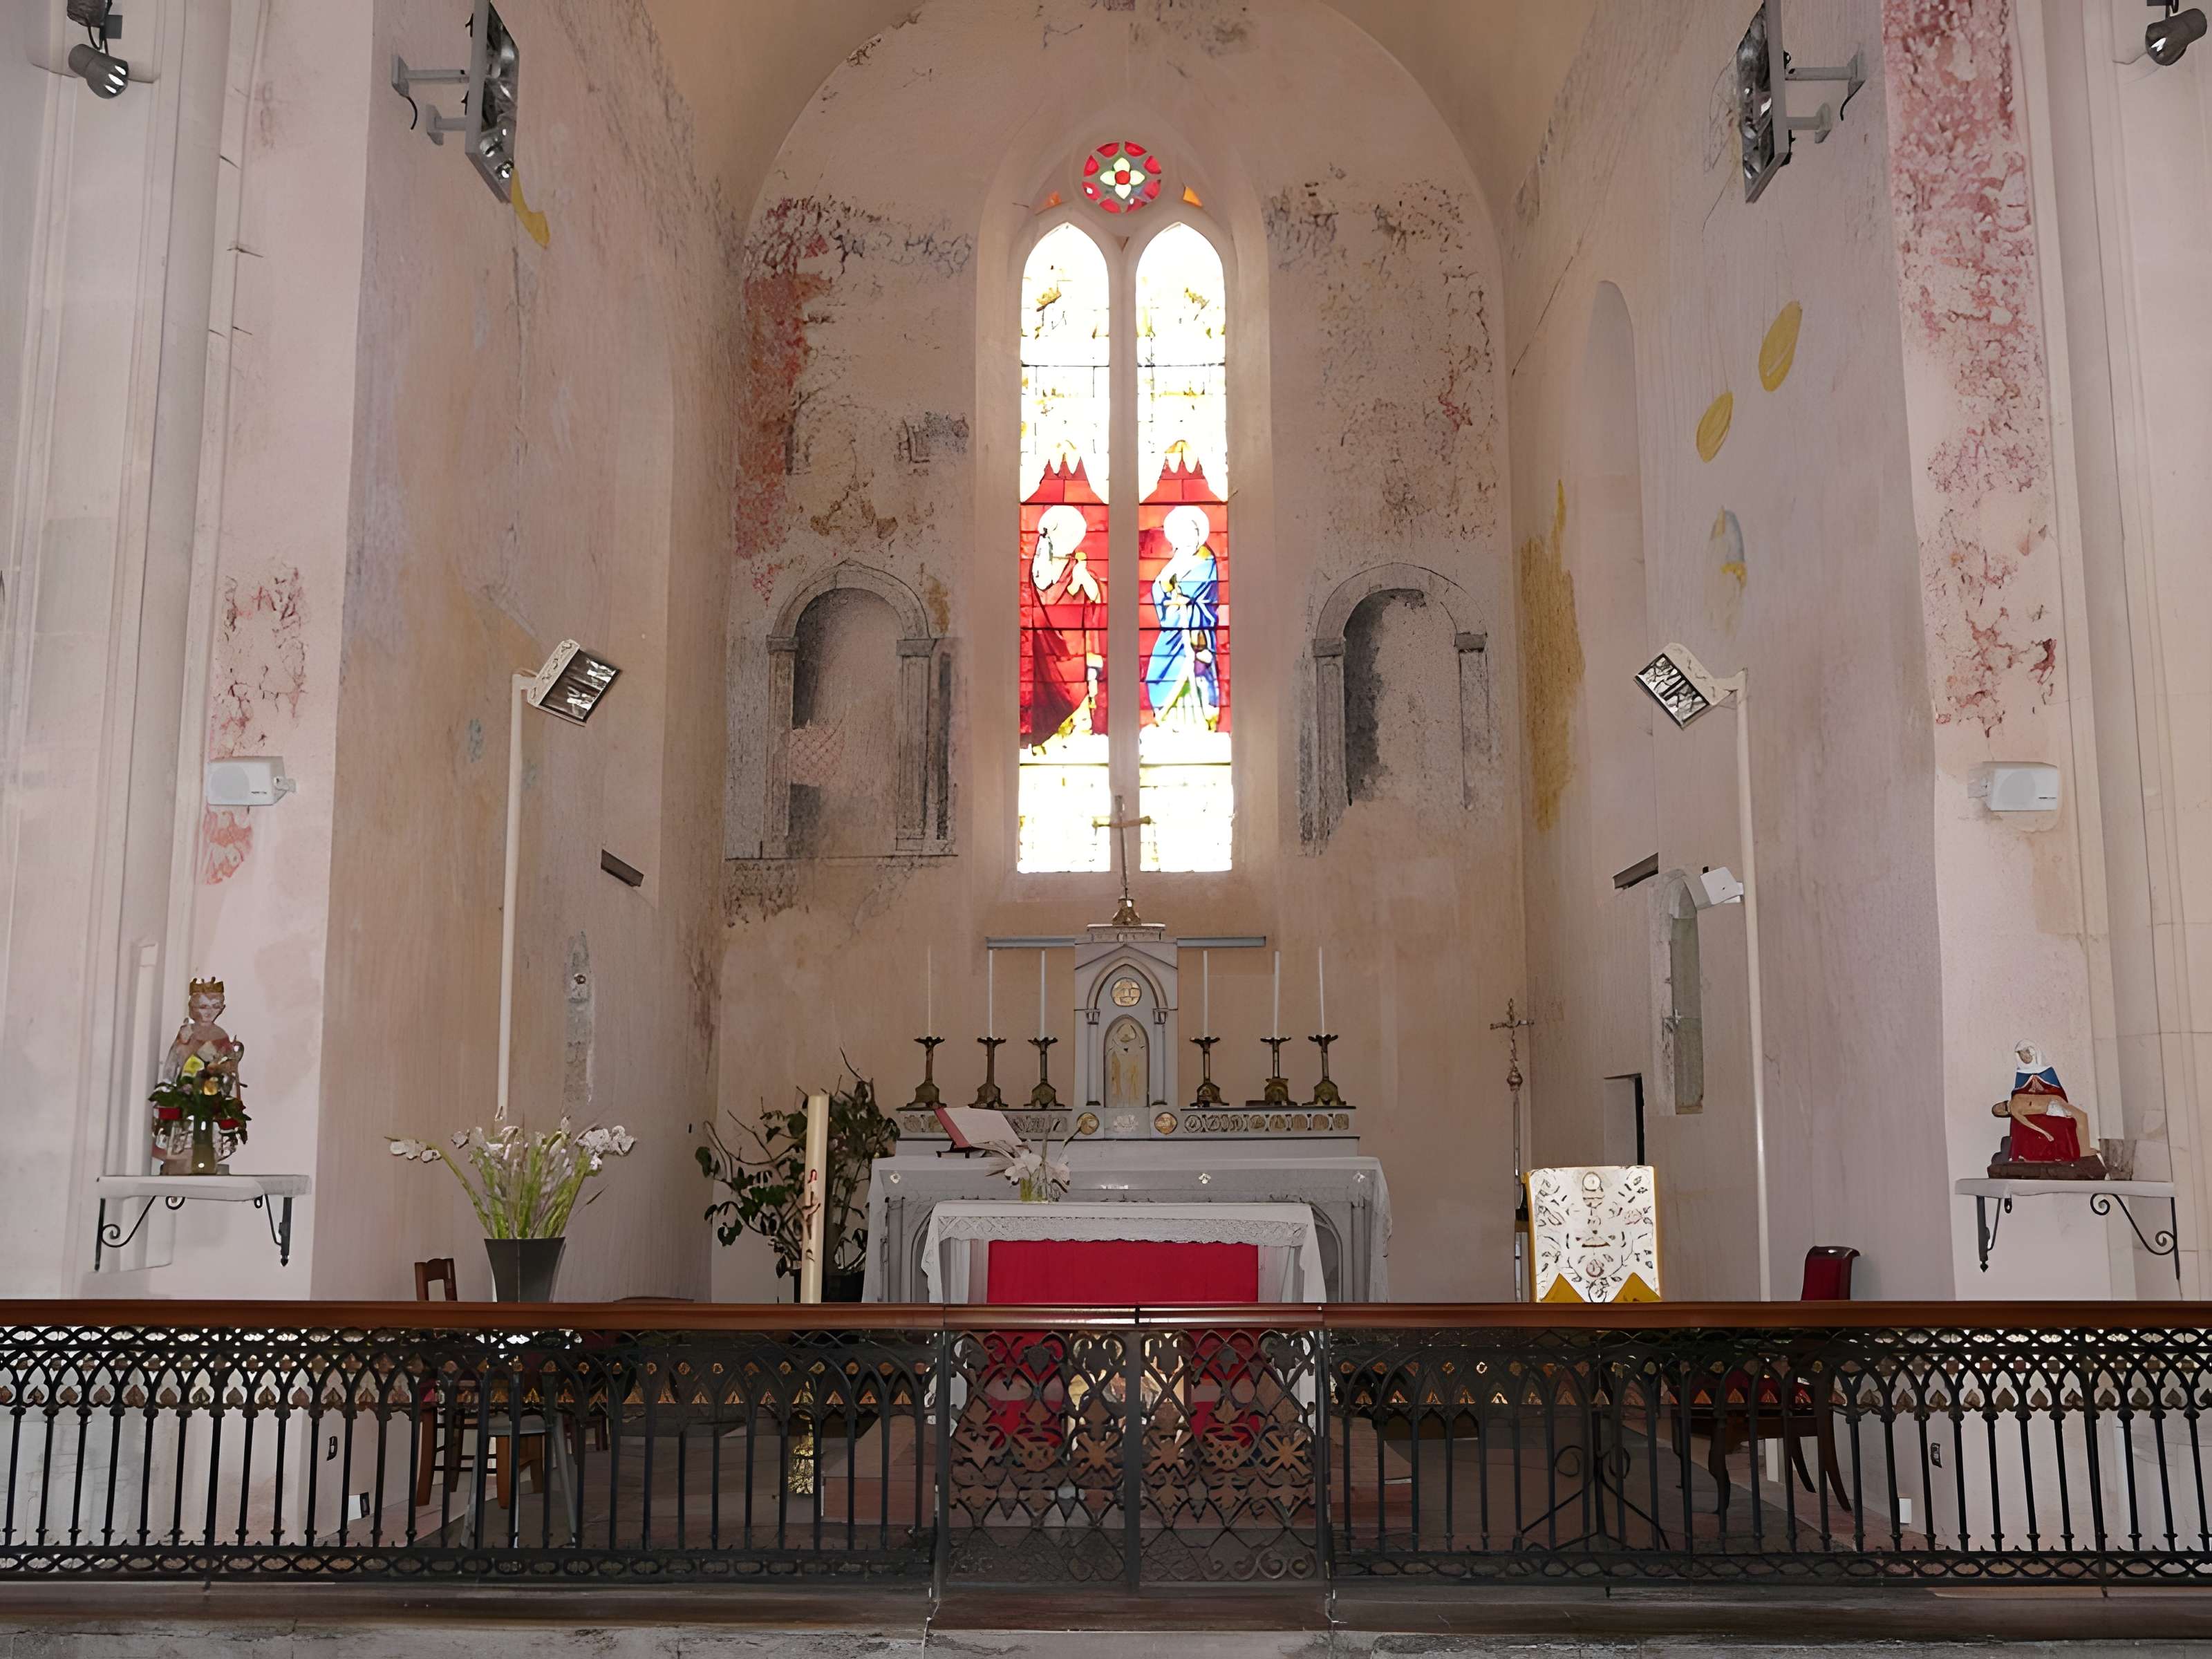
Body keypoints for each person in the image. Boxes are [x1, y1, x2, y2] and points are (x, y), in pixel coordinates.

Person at [1143, 505, 1220, 729]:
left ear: (1198, 534)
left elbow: (1202, 592)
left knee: (1197, 668)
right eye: (1182, 533)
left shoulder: (1207, 560)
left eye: (1191, 532)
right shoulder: (1178, 560)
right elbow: (1160, 587)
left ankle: (1199, 723)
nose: (1187, 538)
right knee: (1159, 669)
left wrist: (1180, 596)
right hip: (1175, 628)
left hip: (1197, 630)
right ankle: (1168, 721)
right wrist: (1168, 591)